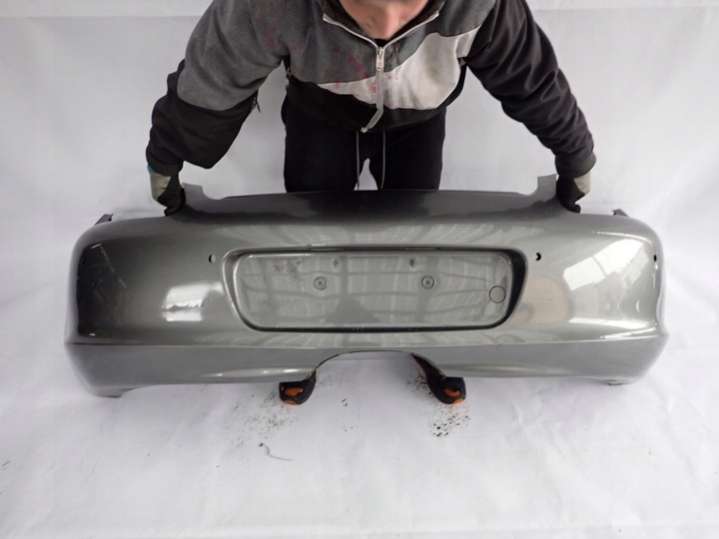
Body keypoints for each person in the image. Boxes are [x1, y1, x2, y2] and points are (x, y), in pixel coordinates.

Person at [146, 0, 597, 405]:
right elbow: (213, 79)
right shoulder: (268, 6)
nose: (387, 25)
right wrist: (168, 155)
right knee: (308, 240)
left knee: (421, 243)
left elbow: (532, 81)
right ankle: (302, 341)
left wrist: (574, 152)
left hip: (419, 120)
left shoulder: (483, 4)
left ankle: (431, 337)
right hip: (321, 115)